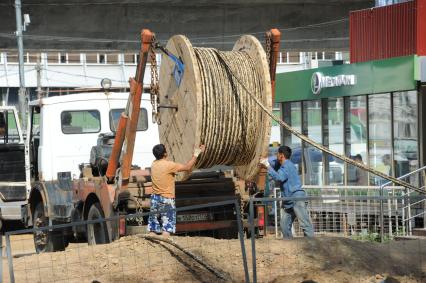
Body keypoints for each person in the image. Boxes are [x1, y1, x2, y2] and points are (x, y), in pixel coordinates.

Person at [149, 143, 205, 237]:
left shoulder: (153, 164)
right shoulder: (169, 165)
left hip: (155, 199)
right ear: (165, 154)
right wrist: (196, 153)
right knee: (166, 229)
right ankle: (164, 246)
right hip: (167, 199)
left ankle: (151, 248)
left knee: (152, 229)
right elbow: (187, 167)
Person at [260, 145, 314, 239]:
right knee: (284, 225)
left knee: (305, 223)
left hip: (296, 198)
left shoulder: (287, 165)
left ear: (281, 155)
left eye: (277, 154)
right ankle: (290, 245)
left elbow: (279, 177)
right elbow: (273, 161)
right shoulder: (284, 164)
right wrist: (266, 160)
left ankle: (311, 245)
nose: (276, 156)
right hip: (288, 199)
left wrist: (267, 166)